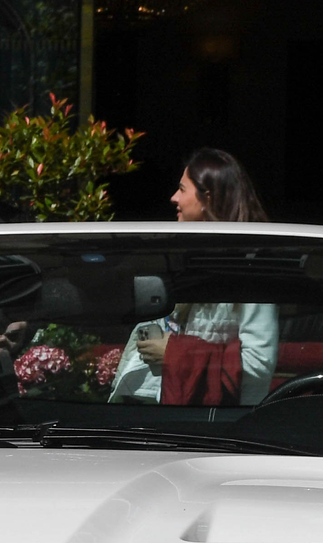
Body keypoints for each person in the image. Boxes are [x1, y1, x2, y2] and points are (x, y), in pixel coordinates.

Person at [107, 149, 280, 406]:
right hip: (170, 416)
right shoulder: (190, 261)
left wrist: (174, 352)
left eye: (182, 189)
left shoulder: (251, 269)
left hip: (220, 426)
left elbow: (259, 364)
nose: (173, 198)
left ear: (206, 199)